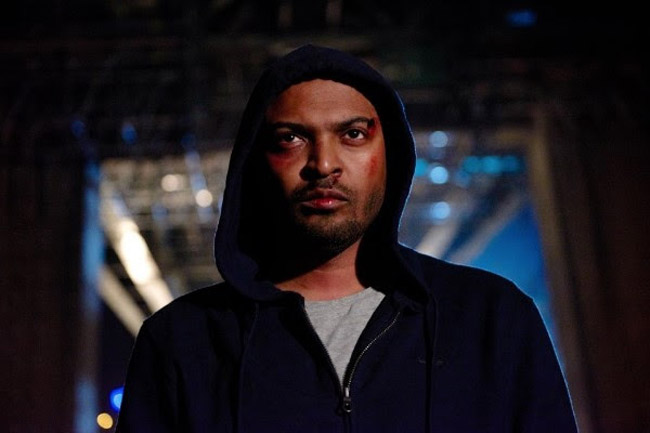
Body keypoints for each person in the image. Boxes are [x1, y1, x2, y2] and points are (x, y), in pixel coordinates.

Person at [116, 45, 577, 432]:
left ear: (391, 155)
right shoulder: (182, 342)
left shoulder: (491, 319)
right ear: (255, 164)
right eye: (291, 139)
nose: (323, 164)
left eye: (353, 134)